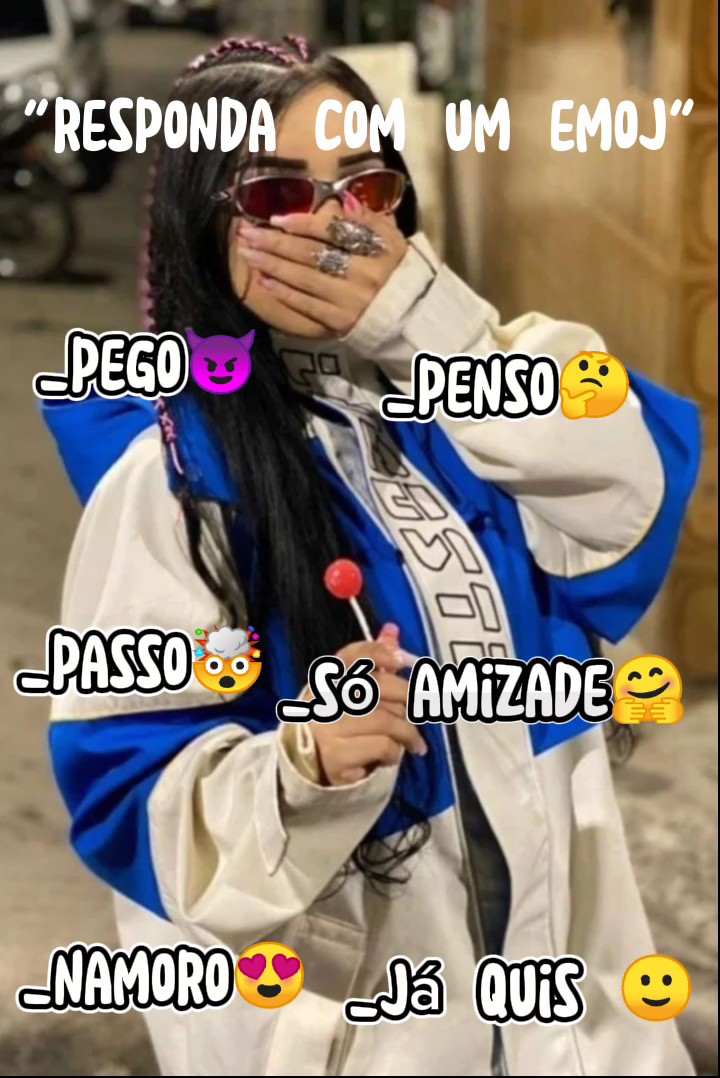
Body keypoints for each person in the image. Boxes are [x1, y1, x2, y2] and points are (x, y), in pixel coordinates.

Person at [44, 35, 700, 1078]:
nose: (337, 227)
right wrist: (304, 763)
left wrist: (431, 327)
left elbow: (634, 487)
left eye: (365, 187)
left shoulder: (474, 402)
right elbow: (132, 798)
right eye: (278, 197)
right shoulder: (173, 477)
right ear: (203, 224)